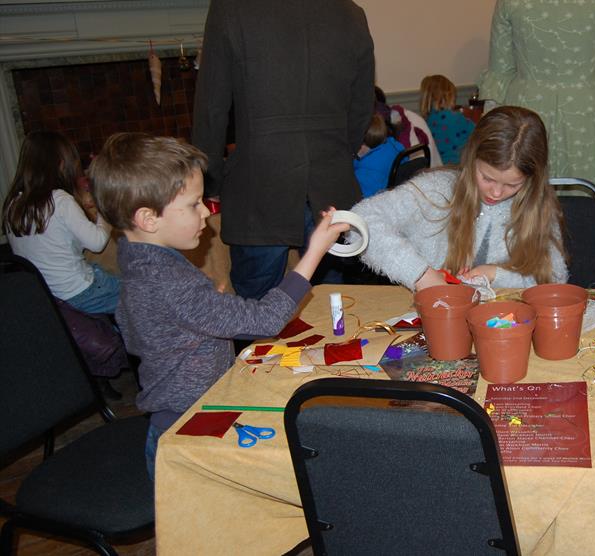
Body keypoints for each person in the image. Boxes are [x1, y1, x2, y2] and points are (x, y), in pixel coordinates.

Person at [88, 133, 349, 480]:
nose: (206, 213)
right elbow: (267, 319)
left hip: (189, 414)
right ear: (149, 219)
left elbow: (145, 325)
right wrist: (314, 250)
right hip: (189, 430)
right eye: (194, 204)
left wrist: (203, 306)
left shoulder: (139, 261)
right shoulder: (167, 280)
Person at [191, 0, 374, 299]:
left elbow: (212, 106)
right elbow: (361, 107)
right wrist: (337, 154)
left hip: (260, 184)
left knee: (259, 311)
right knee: (333, 304)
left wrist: (208, 179)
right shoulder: (350, 13)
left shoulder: (231, 8)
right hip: (331, 183)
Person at [478, 0, 595, 289]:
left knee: (520, 199)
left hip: (527, 110)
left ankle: (519, 285)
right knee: (591, 203)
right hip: (587, 114)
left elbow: (500, 69)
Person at [350, 106, 567, 290]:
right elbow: (361, 221)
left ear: (531, 180)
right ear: (472, 158)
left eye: (512, 184)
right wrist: (420, 274)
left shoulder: (537, 206)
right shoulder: (438, 189)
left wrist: (494, 274)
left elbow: (554, 280)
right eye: (487, 178)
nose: (496, 192)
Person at [2, 131, 119, 314]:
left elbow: (57, 244)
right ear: (61, 164)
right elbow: (97, 243)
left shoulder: (13, 204)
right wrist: (103, 205)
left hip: (48, 295)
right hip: (81, 292)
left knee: (101, 271)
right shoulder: (59, 200)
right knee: (141, 292)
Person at [419, 75, 475, 165]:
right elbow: (478, 132)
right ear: (449, 96)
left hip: (436, 168)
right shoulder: (457, 118)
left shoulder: (425, 121)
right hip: (459, 168)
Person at [354, 114, 405, 198]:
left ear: (360, 145)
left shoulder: (366, 173)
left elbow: (361, 202)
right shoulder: (394, 145)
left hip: (375, 202)